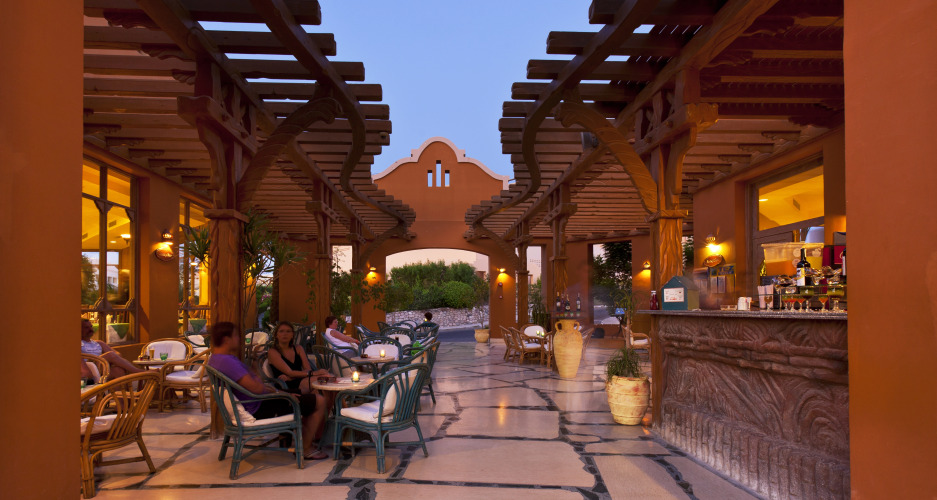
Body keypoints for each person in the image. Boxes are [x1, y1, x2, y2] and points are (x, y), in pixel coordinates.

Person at [208, 321, 329, 460]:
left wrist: (282, 393)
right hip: (258, 408)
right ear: (226, 340)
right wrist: (282, 395)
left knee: (304, 396)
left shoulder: (216, 359)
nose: (239, 339)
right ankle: (305, 448)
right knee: (319, 401)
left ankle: (301, 440)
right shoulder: (228, 362)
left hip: (257, 402)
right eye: (236, 336)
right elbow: (257, 388)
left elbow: (255, 386)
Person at [267, 321, 330, 394]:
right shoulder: (273, 352)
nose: (285, 334)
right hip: (286, 385)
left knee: (325, 388)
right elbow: (290, 372)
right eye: (281, 331)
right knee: (326, 379)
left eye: (288, 331)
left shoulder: (298, 348)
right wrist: (315, 373)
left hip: (299, 380)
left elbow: (308, 369)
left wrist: (290, 378)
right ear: (276, 335)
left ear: (292, 335)